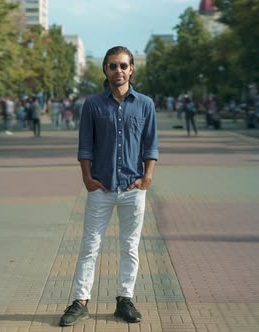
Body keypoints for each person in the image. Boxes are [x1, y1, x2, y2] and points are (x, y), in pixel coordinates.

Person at [59, 46, 158, 327]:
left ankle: (125, 299)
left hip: (133, 188)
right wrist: (87, 179)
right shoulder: (92, 104)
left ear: (131, 69)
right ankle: (80, 302)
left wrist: (147, 177)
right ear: (105, 69)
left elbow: (150, 144)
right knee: (90, 245)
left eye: (123, 65)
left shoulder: (145, 104)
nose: (118, 71)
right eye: (113, 66)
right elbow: (85, 146)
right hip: (100, 187)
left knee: (130, 246)